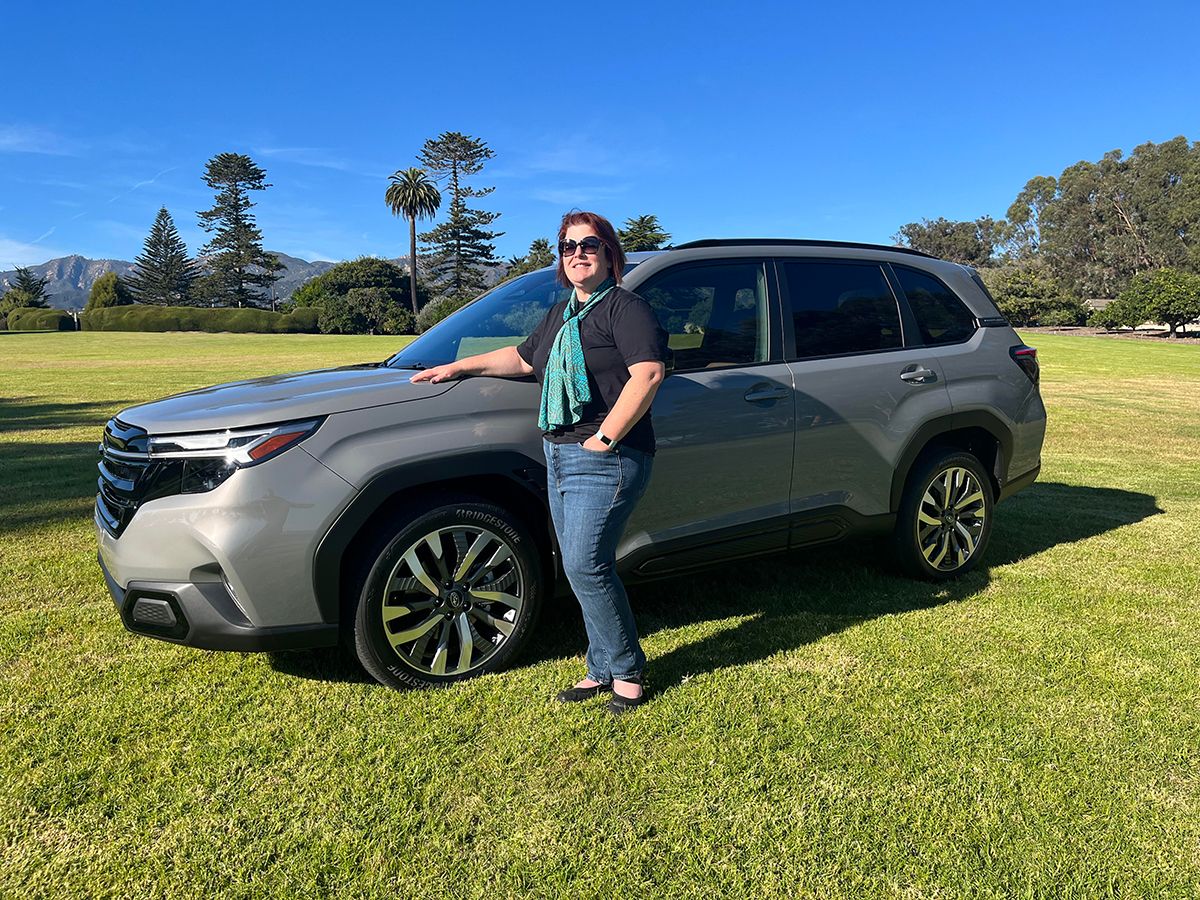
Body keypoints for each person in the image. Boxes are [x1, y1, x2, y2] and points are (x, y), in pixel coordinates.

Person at [410, 210, 669, 713]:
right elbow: (526, 358)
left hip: (606, 458)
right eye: (568, 247)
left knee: (587, 565)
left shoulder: (625, 308)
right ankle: (601, 669)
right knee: (579, 568)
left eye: (588, 245)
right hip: (559, 452)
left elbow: (649, 374)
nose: (577, 255)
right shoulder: (563, 314)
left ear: (609, 253)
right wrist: (458, 365)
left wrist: (604, 438)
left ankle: (629, 673)